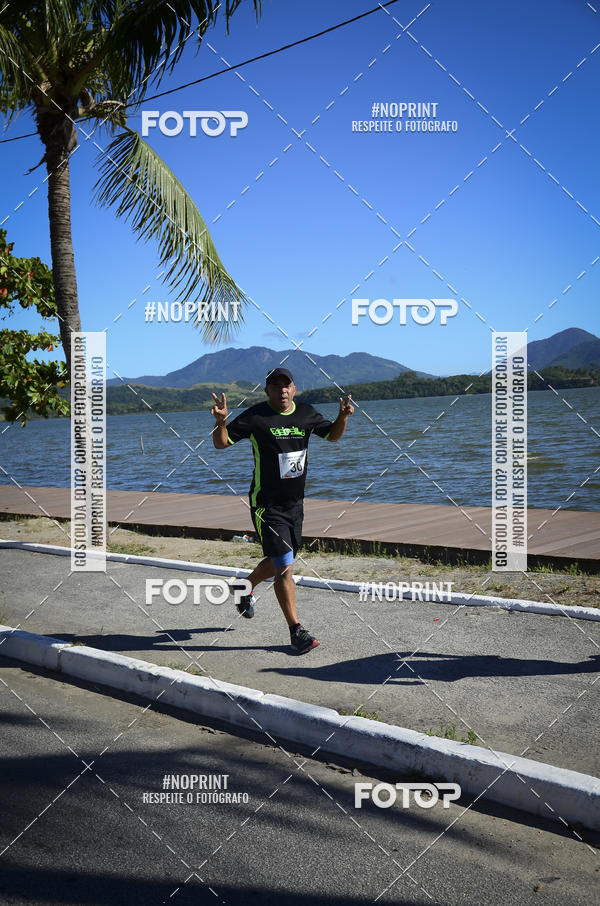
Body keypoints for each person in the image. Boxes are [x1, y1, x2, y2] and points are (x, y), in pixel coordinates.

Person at [211, 367, 353, 653]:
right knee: (285, 567)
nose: (282, 391)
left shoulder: (306, 413)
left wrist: (343, 417)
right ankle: (296, 631)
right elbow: (222, 443)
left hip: (295, 504)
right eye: (276, 387)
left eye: (286, 385)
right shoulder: (255, 416)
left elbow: (333, 436)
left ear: (294, 388)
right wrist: (222, 423)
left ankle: (244, 587)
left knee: (282, 560)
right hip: (267, 504)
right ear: (267, 392)